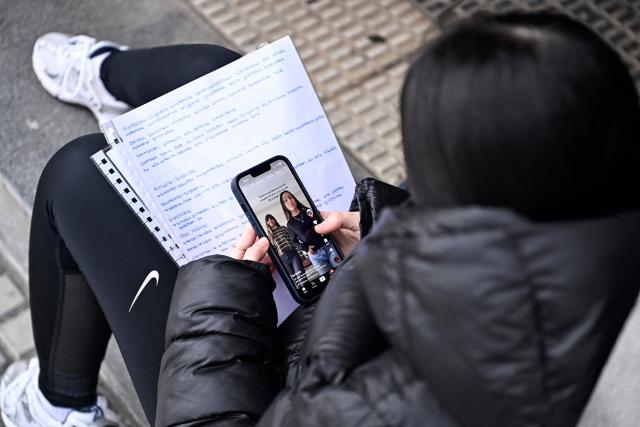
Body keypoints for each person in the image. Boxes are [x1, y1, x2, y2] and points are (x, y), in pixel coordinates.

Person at [2, 11, 640, 427]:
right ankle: (115, 90)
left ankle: (55, 406)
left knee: (77, 177)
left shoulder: (400, 409)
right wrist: (389, 224)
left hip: (253, 380)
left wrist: (224, 300)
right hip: (339, 326)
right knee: (218, 77)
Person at [279, 191, 340, 276]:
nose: (289, 201)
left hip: (328, 246)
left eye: (290, 197)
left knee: (342, 272)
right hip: (315, 255)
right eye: (286, 200)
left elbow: (321, 223)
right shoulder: (290, 224)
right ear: (284, 205)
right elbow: (294, 241)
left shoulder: (308, 211)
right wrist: (305, 248)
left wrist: (309, 233)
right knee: (330, 280)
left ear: (294, 198)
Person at [264, 214, 307, 286]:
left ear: (274, 219)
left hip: (293, 254)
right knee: (295, 281)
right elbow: (274, 250)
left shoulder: (283, 228)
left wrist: (301, 253)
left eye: (271, 219)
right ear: (267, 223)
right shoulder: (269, 236)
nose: (270, 221)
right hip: (282, 259)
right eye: (268, 220)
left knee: (301, 278)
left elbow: (293, 240)